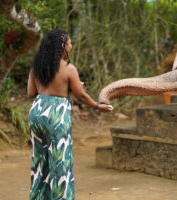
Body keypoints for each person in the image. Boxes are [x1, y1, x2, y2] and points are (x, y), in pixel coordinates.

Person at [27, 29, 113, 200]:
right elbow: (80, 95)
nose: (71, 46)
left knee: (40, 161)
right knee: (60, 163)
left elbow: (31, 93)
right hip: (56, 116)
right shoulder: (68, 68)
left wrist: (61, 88)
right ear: (62, 46)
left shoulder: (36, 66)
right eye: (70, 43)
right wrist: (97, 105)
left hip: (36, 113)